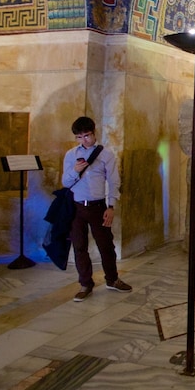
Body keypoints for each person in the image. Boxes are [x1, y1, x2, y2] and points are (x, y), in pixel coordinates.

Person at [62, 116, 131, 301]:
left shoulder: (105, 154)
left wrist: (111, 206)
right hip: (76, 207)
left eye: (87, 135)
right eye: (79, 137)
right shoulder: (70, 155)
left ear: (94, 133)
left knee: (106, 245)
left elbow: (114, 181)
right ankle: (85, 284)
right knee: (79, 246)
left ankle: (112, 279)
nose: (84, 140)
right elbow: (65, 182)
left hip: (98, 206)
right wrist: (75, 170)